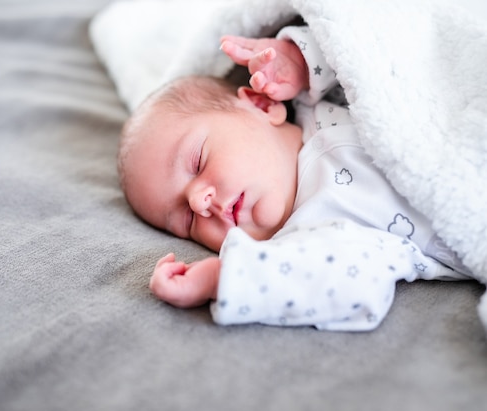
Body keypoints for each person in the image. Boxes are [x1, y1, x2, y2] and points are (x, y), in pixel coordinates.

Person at [118, 26, 471, 331]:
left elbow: (374, 47)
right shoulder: (307, 241)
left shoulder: (315, 95)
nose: (199, 202)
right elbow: (346, 284)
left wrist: (298, 60)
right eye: (187, 220)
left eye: (197, 161)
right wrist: (221, 278)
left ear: (259, 105)